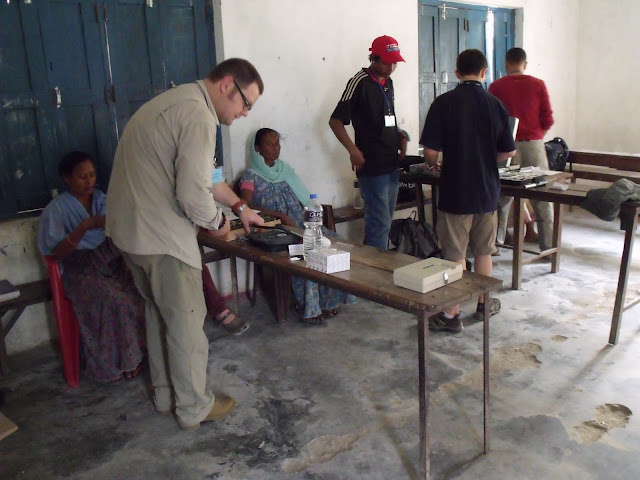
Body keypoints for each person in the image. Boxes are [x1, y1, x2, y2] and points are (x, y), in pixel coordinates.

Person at [106, 58, 265, 430]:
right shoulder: (198, 116)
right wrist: (218, 224)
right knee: (187, 324)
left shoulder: (179, 101)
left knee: (158, 313)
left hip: (131, 234)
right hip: (162, 238)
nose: (245, 113)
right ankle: (194, 407)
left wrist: (241, 208)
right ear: (226, 85)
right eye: (246, 103)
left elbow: (209, 177)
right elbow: (193, 195)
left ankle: (165, 396)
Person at [420, 49, 516, 333]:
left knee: (455, 254)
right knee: (484, 251)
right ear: (484, 73)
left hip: (456, 191)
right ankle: (485, 304)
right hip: (486, 191)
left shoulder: (443, 103)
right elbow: (508, 151)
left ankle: (452, 314)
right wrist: (485, 159)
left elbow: (430, 152)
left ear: (457, 72)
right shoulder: (495, 105)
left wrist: (433, 164)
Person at [37, 152, 146, 383]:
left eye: (92, 175)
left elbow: (119, 225)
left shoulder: (101, 200)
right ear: (67, 179)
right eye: (82, 177)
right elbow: (57, 253)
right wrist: (84, 227)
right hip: (79, 269)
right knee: (114, 301)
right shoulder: (56, 209)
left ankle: (136, 357)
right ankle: (115, 364)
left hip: (110, 261)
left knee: (140, 292)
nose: (89, 181)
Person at [238, 128, 356, 324]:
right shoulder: (250, 177)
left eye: (277, 143)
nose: (275, 148)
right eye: (269, 144)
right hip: (275, 229)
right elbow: (246, 206)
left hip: (300, 224)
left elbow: (306, 199)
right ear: (257, 148)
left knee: (334, 243)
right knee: (306, 253)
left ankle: (328, 301)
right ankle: (309, 307)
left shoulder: (286, 171)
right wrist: (279, 215)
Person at [329, 35, 408, 250]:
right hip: (372, 165)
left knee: (385, 222)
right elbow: (335, 121)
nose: (391, 67)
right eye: (387, 62)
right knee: (378, 224)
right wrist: (352, 150)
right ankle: (374, 268)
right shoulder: (360, 82)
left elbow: (385, 118)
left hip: (391, 163)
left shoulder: (389, 83)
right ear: (374, 58)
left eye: (395, 63)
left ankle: (379, 264)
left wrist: (399, 135)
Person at [489, 47, 554, 251]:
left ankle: (495, 245)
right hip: (533, 144)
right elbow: (548, 119)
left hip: (505, 146)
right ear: (525, 64)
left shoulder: (496, 87)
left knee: (501, 198)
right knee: (543, 197)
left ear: (506, 64)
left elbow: (490, 119)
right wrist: (536, 136)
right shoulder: (538, 84)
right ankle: (548, 246)